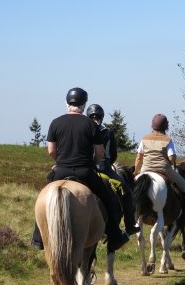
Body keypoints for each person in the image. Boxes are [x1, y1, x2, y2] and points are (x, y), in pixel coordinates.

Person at [31, 87, 129, 251]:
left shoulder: (55, 122)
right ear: (84, 104)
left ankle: (38, 238)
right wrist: (92, 161)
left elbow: (51, 150)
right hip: (85, 172)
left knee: (43, 196)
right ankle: (115, 235)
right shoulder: (91, 124)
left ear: (67, 102)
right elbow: (99, 154)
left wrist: (61, 161)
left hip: (61, 170)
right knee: (110, 198)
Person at [86, 104, 140, 235]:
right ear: (102, 117)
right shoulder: (108, 132)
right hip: (104, 169)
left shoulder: (84, 129)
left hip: (87, 168)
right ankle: (130, 225)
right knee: (126, 192)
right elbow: (113, 155)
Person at [134, 114, 185, 225]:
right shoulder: (167, 139)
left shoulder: (144, 138)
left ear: (152, 126)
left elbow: (139, 157)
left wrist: (136, 171)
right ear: (165, 127)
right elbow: (171, 158)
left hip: (145, 169)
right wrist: (173, 162)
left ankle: (128, 213)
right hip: (163, 169)